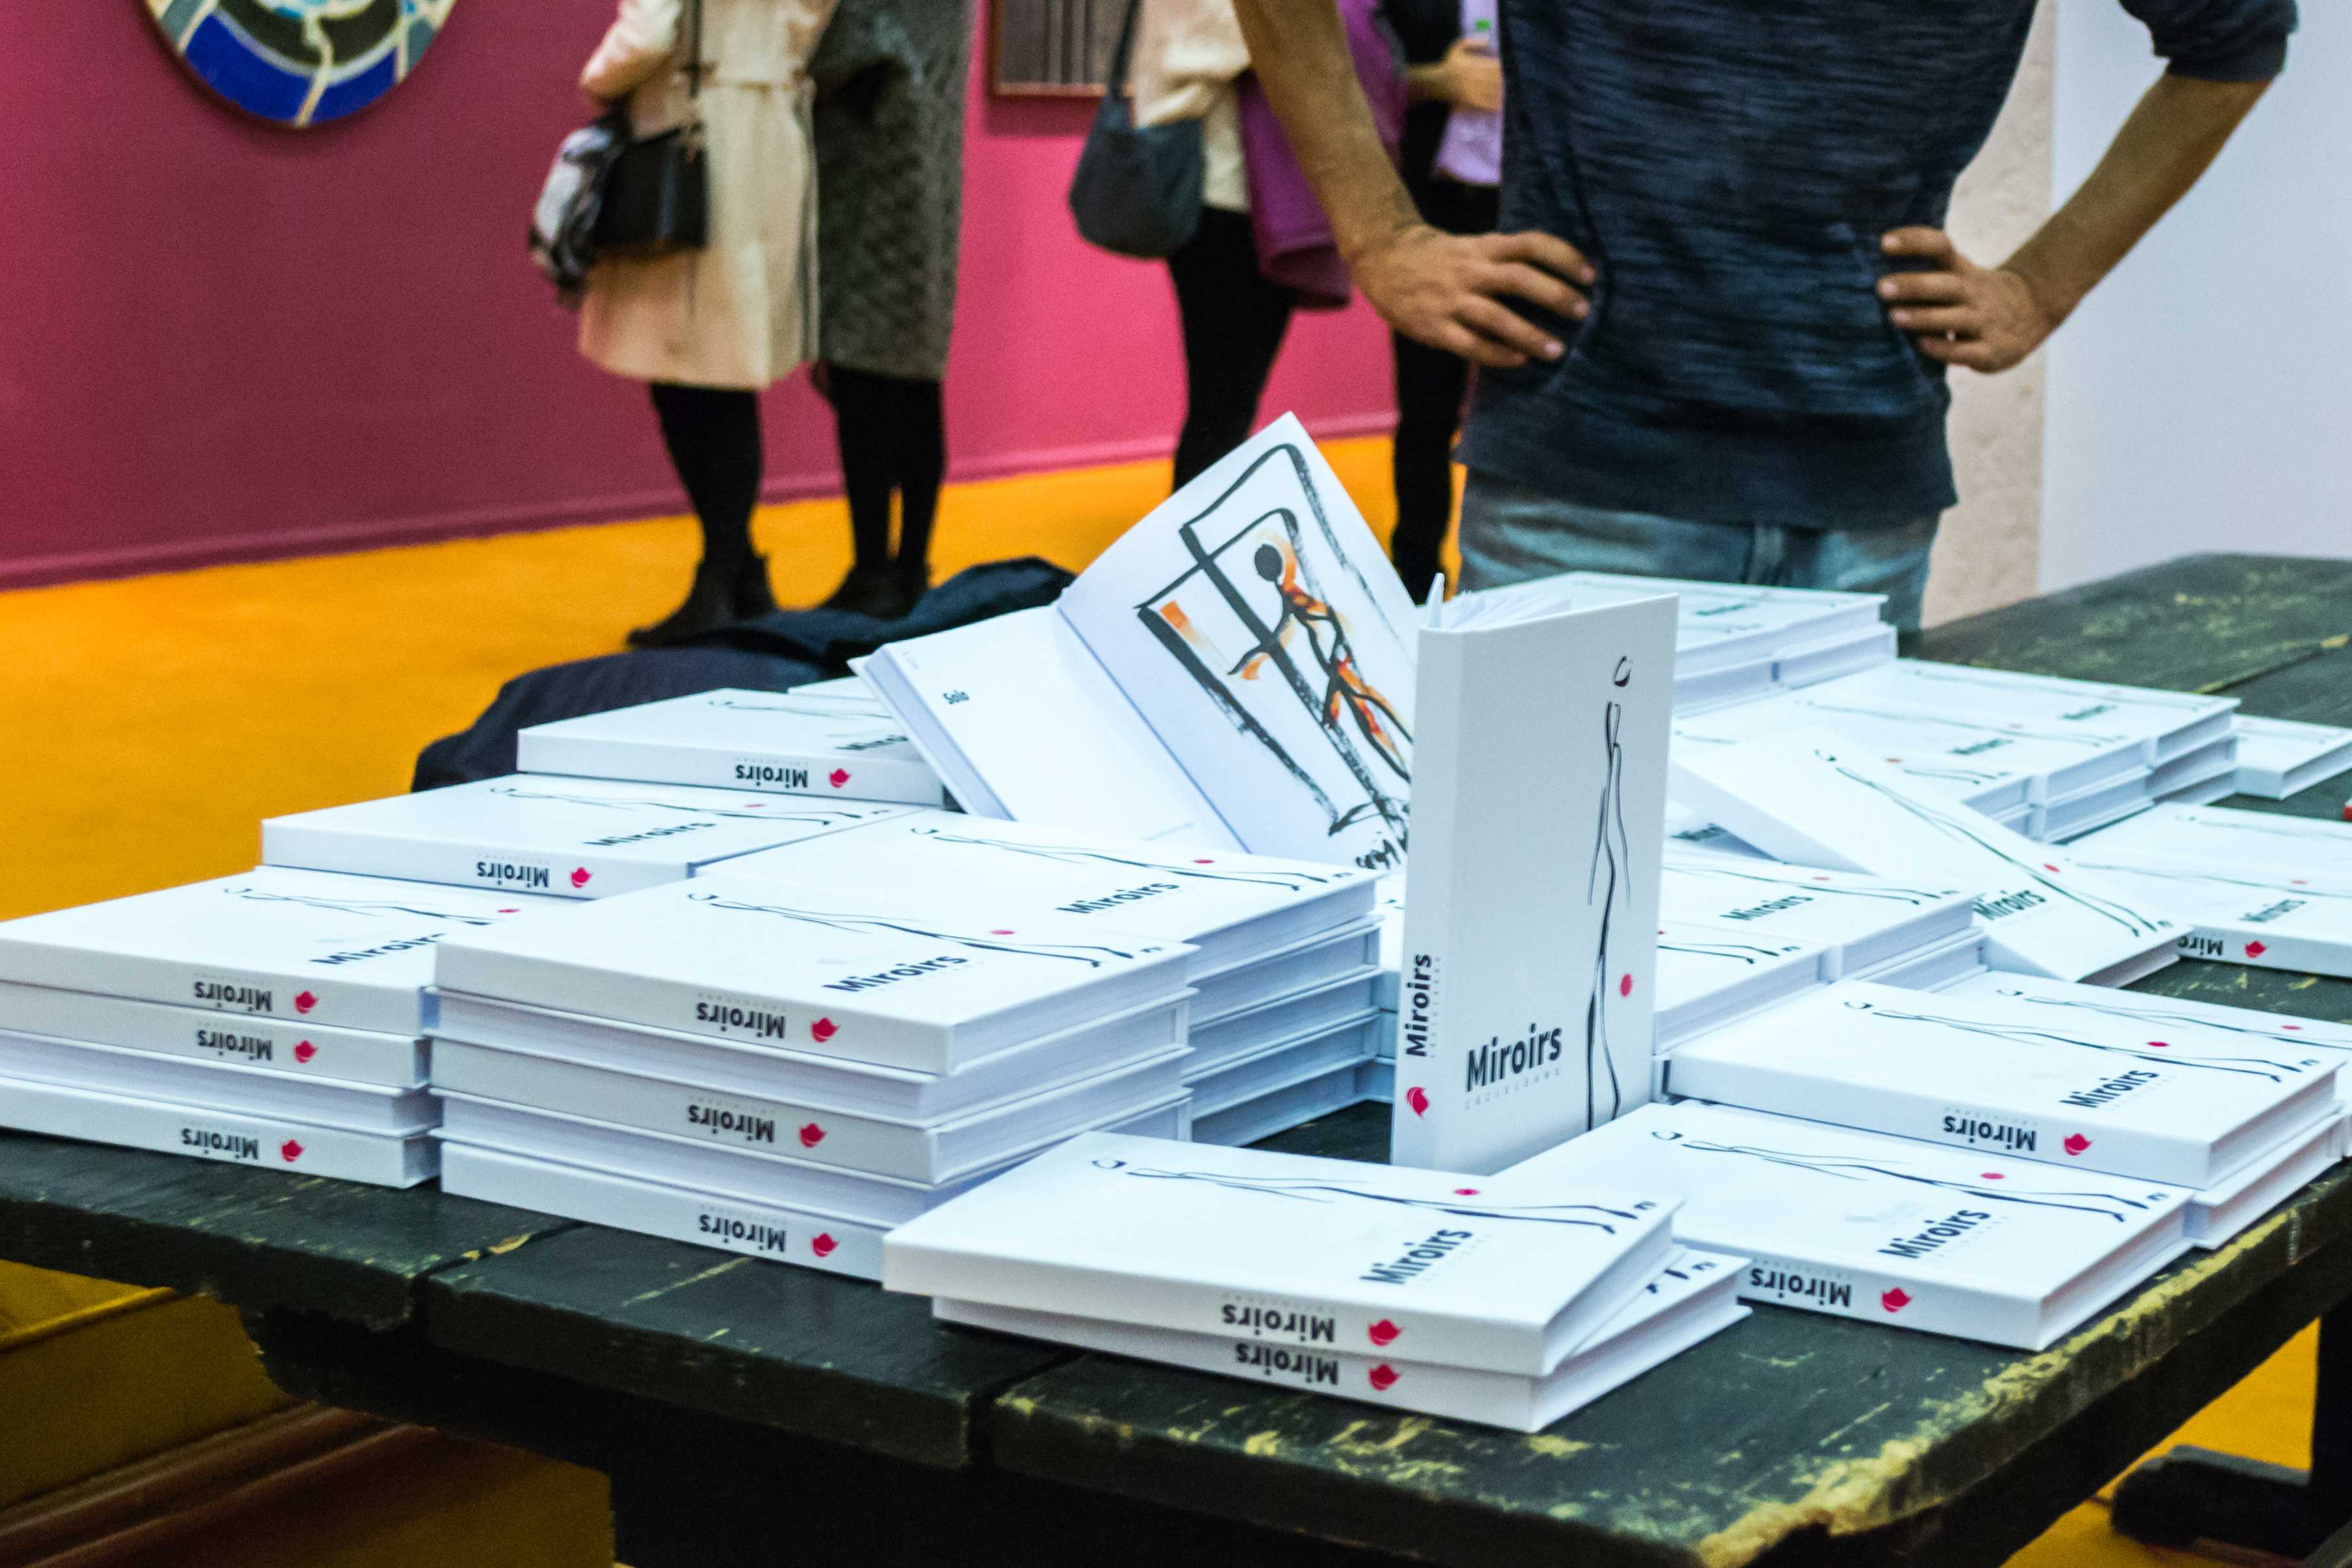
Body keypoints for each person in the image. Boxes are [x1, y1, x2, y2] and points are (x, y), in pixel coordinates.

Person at [1229, 0, 2294, 630]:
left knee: (1836, 928)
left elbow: (2235, 38)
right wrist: (1379, 237)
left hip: (1859, 505)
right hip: (1587, 479)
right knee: (1525, 911)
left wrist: (2041, 286)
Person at [577, 0, 840, 648]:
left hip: (695, 132)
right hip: (770, 128)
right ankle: (737, 570)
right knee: (725, 369)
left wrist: (597, 79)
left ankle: (722, 575)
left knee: (687, 378)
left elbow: (646, 34)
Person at [808, 0, 974, 621]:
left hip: (875, 167)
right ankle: (908, 568)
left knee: (865, 377)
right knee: (915, 377)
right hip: (924, 162)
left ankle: (874, 570)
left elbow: (850, 41)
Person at [1132, 0, 1294, 492]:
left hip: (1253, 203)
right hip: (1221, 203)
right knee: (1221, 406)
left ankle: (1203, 527)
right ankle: (1195, 534)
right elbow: (1231, 42)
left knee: (1229, 405)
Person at [1386, 2, 1501, 601]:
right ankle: (1415, 580)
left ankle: (1509, 585)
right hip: (1435, 209)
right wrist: (1439, 80)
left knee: (1523, 406)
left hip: (1529, 212)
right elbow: (1362, 77)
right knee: (1426, 408)